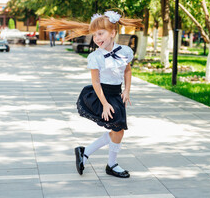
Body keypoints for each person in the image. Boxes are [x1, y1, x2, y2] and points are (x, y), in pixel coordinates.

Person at [41, 11, 143, 178]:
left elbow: (128, 71)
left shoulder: (124, 51)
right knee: (118, 129)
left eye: (100, 34)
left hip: (117, 95)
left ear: (113, 33)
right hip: (102, 95)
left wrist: (127, 90)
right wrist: (104, 103)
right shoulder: (95, 57)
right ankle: (108, 163)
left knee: (117, 131)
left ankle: (87, 153)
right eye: (94, 35)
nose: (97, 38)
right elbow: (96, 82)